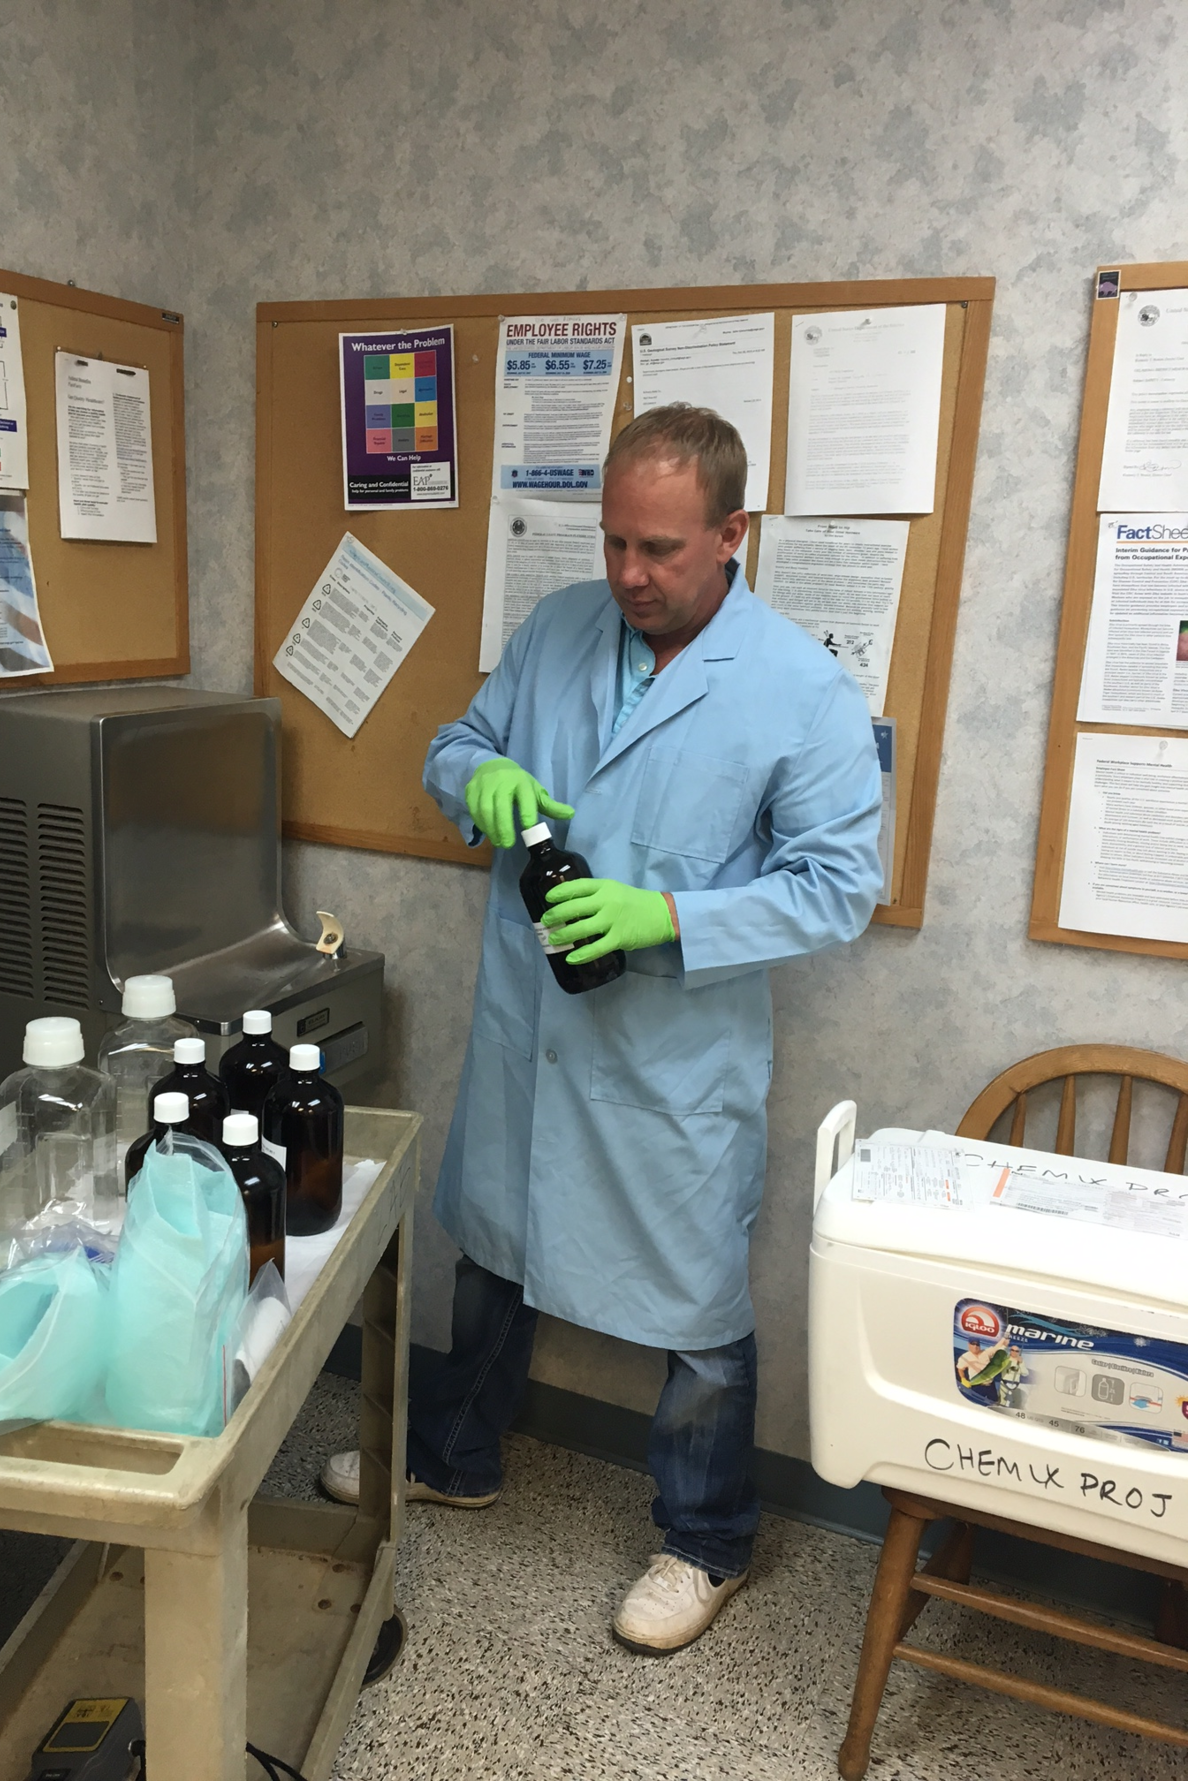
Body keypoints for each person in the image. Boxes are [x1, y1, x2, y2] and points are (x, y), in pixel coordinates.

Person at [323, 403, 883, 1654]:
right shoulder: (557, 626)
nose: (627, 574)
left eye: (661, 549)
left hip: (669, 1059)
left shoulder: (801, 690)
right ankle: (455, 1455)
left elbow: (838, 887)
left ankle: (706, 1537)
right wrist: (483, 777)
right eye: (613, 543)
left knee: (696, 1315)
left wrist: (664, 913)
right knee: (494, 1251)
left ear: (732, 533)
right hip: (536, 1030)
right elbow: (456, 740)